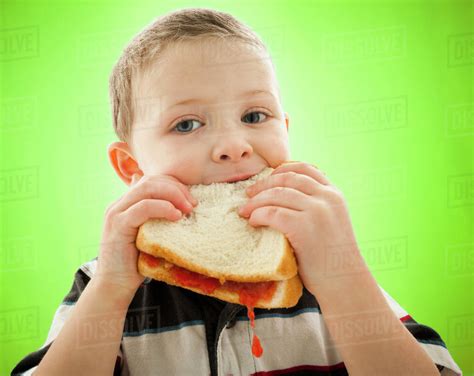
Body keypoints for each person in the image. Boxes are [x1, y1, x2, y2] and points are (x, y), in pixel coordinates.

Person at [11, 7, 463, 376]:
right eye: (186, 124)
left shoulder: (327, 268)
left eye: (254, 116)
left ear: (285, 131)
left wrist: (344, 279)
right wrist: (111, 287)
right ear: (132, 168)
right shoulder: (104, 282)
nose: (233, 146)